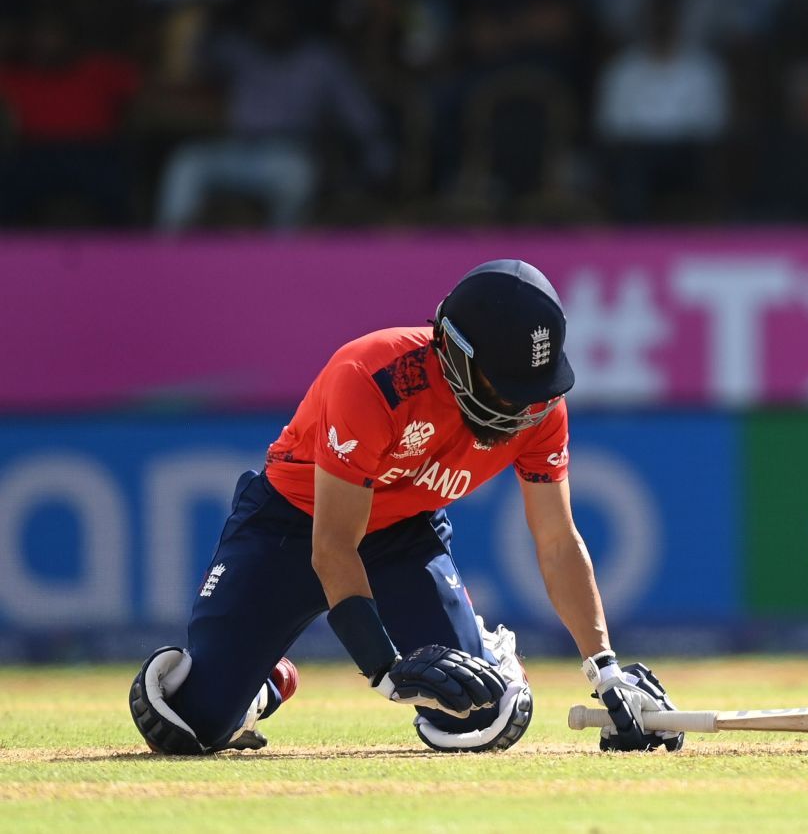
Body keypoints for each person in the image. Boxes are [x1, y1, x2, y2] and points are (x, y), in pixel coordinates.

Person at [129, 261, 684, 757]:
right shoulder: (372, 378)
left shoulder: (540, 409)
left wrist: (606, 669)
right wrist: (386, 671)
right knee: (185, 725)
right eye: (507, 385)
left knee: (485, 717)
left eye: (533, 387)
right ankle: (260, 682)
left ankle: (486, 653)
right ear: (455, 356)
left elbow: (558, 540)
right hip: (289, 526)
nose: (523, 408)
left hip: (401, 535)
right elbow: (332, 546)